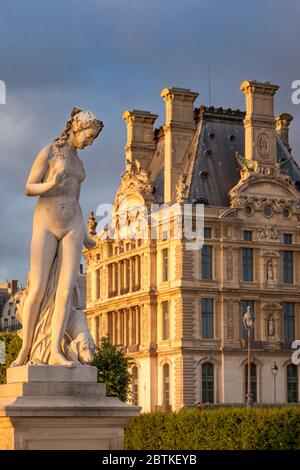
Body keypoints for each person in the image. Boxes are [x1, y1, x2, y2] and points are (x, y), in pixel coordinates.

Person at [12, 107, 103, 367]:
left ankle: (55, 351)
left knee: (65, 292)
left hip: (72, 223)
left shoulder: (78, 162)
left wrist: (84, 233)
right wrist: (51, 184)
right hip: (46, 222)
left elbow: (75, 198)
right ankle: (25, 350)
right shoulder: (50, 152)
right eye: (89, 135)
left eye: (93, 138)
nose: (90, 141)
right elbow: (29, 187)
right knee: (38, 288)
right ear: (77, 128)